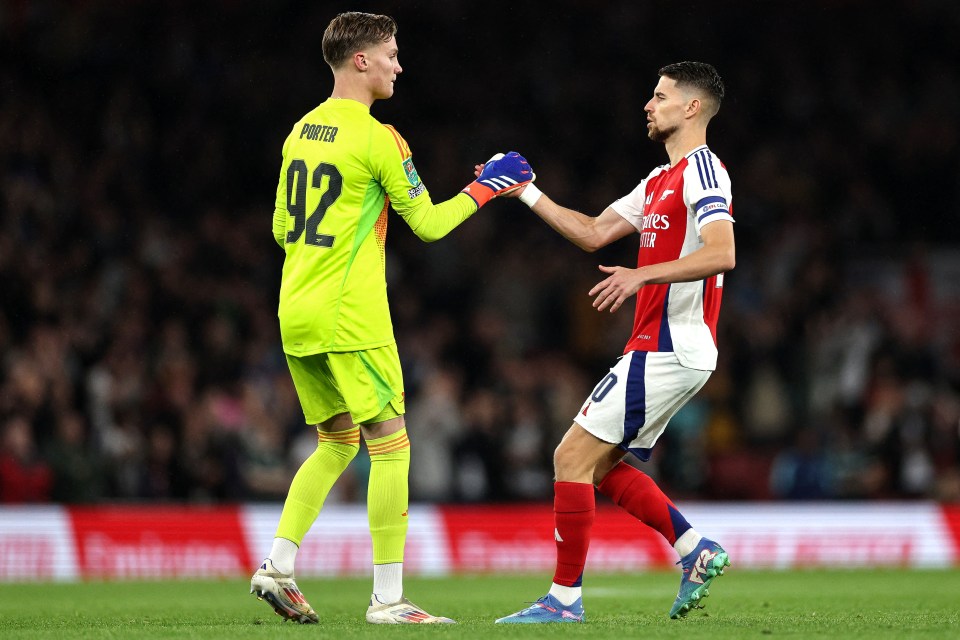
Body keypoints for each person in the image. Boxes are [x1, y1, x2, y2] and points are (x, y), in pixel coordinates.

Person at [249, 11, 532, 625]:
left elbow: (279, 228)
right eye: (392, 55)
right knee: (391, 444)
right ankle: (388, 600)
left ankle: (276, 566)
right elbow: (429, 225)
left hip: (295, 310)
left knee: (335, 441)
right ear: (361, 61)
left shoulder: (300, 131)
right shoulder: (380, 138)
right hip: (352, 316)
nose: (399, 66)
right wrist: (490, 187)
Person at [494, 61, 734, 623]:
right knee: (597, 465)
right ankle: (693, 549)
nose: (648, 106)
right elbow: (593, 231)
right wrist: (526, 193)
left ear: (691, 108)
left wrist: (640, 275)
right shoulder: (658, 181)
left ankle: (563, 601)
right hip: (659, 346)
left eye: (660, 96)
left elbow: (722, 251)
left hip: (670, 345)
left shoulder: (705, 170)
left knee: (568, 457)